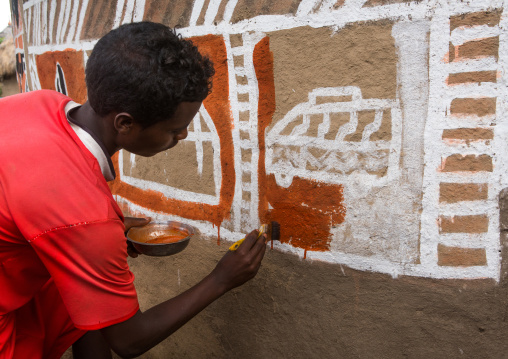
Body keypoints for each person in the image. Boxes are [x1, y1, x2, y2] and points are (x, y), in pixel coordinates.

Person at [0, 22, 267, 359]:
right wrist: (221, 280)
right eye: (174, 129)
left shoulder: (41, 103)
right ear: (124, 124)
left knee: (81, 289)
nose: (182, 136)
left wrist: (103, 228)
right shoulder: (85, 218)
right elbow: (127, 340)